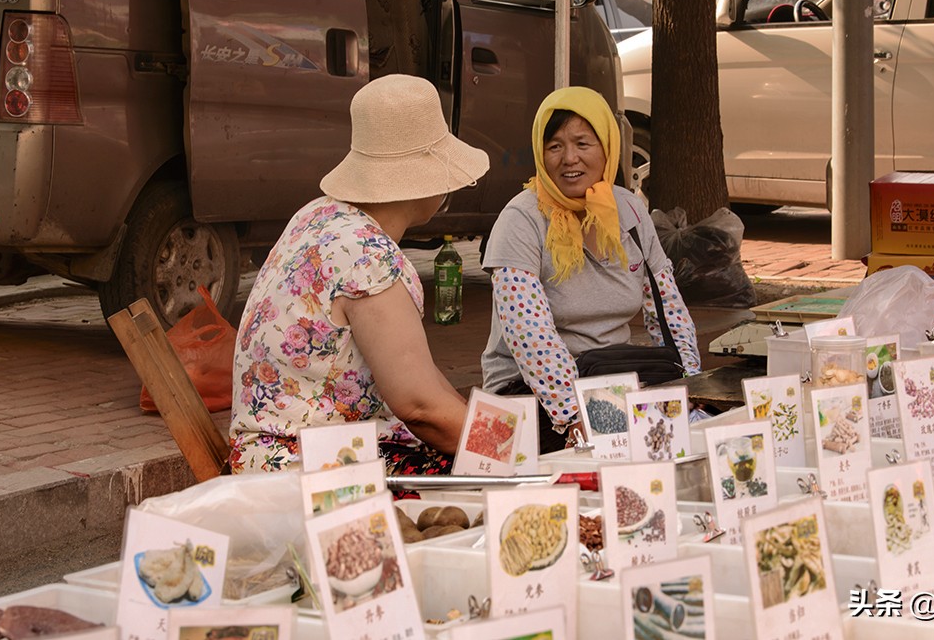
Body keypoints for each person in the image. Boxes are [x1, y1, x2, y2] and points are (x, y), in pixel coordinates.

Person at [230, 74, 490, 474]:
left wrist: (481, 423)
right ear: (427, 182)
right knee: (487, 484)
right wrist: (508, 451)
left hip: (275, 454)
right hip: (307, 468)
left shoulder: (317, 214)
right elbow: (418, 406)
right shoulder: (369, 256)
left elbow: (418, 375)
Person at [480, 86, 701, 451]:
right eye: (555, 146)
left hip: (615, 379)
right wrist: (575, 416)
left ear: (608, 148)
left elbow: (669, 312)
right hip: (534, 393)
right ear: (540, 151)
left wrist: (692, 385)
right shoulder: (521, 220)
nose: (569, 159)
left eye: (583, 144)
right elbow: (530, 335)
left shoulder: (629, 211)